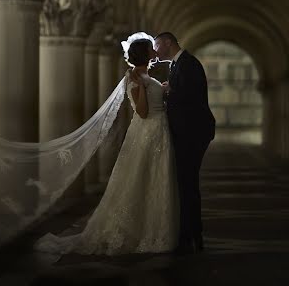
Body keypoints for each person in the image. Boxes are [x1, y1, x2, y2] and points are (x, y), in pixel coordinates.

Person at [34, 32, 179, 256]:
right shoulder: (137, 79)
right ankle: (140, 232)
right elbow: (142, 112)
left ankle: (149, 228)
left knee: (151, 178)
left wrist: (164, 89)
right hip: (149, 131)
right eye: (151, 48)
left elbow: (154, 98)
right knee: (142, 178)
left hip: (157, 131)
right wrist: (144, 89)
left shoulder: (145, 76)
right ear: (145, 54)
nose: (155, 51)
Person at [153, 32, 215, 254]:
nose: (155, 50)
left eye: (157, 45)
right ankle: (189, 234)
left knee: (187, 184)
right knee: (185, 184)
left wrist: (168, 91)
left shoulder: (188, 63)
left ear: (168, 43)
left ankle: (191, 235)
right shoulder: (180, 64)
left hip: (192, 133)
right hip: (188, 131)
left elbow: (189, 96)